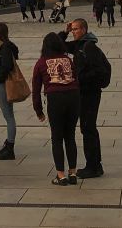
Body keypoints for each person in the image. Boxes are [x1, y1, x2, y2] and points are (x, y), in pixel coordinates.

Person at [33, 31, 79, 185]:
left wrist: (38, 110)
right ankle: (72, 173)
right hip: (73, 97)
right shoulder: (67, 59)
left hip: (55, 99)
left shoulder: (41, 62)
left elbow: (36, 88)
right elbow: (76, 78)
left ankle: (61, 175)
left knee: (57, 138)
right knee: (70, 136)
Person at [66, 18, 110, 178]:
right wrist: (65, 31)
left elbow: (99, 71)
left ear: (84, 30)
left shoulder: (88, 47)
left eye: (76, 29)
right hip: (84, 93)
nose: (73, 32)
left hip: (90, 93)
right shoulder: (79, 45)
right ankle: (94, 165)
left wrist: (80, 78)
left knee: (88, 128)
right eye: (72, 30)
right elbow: (58, 44)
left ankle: (93, 166)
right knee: (87, 128)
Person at [0, 22, 20, 160]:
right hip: (6, 83)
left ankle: (10, 146)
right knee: (10, 115)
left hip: (5, 84)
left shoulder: (4, 48)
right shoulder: (9, 46)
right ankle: (9, 143)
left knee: (8, 116)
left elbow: (6, 66)